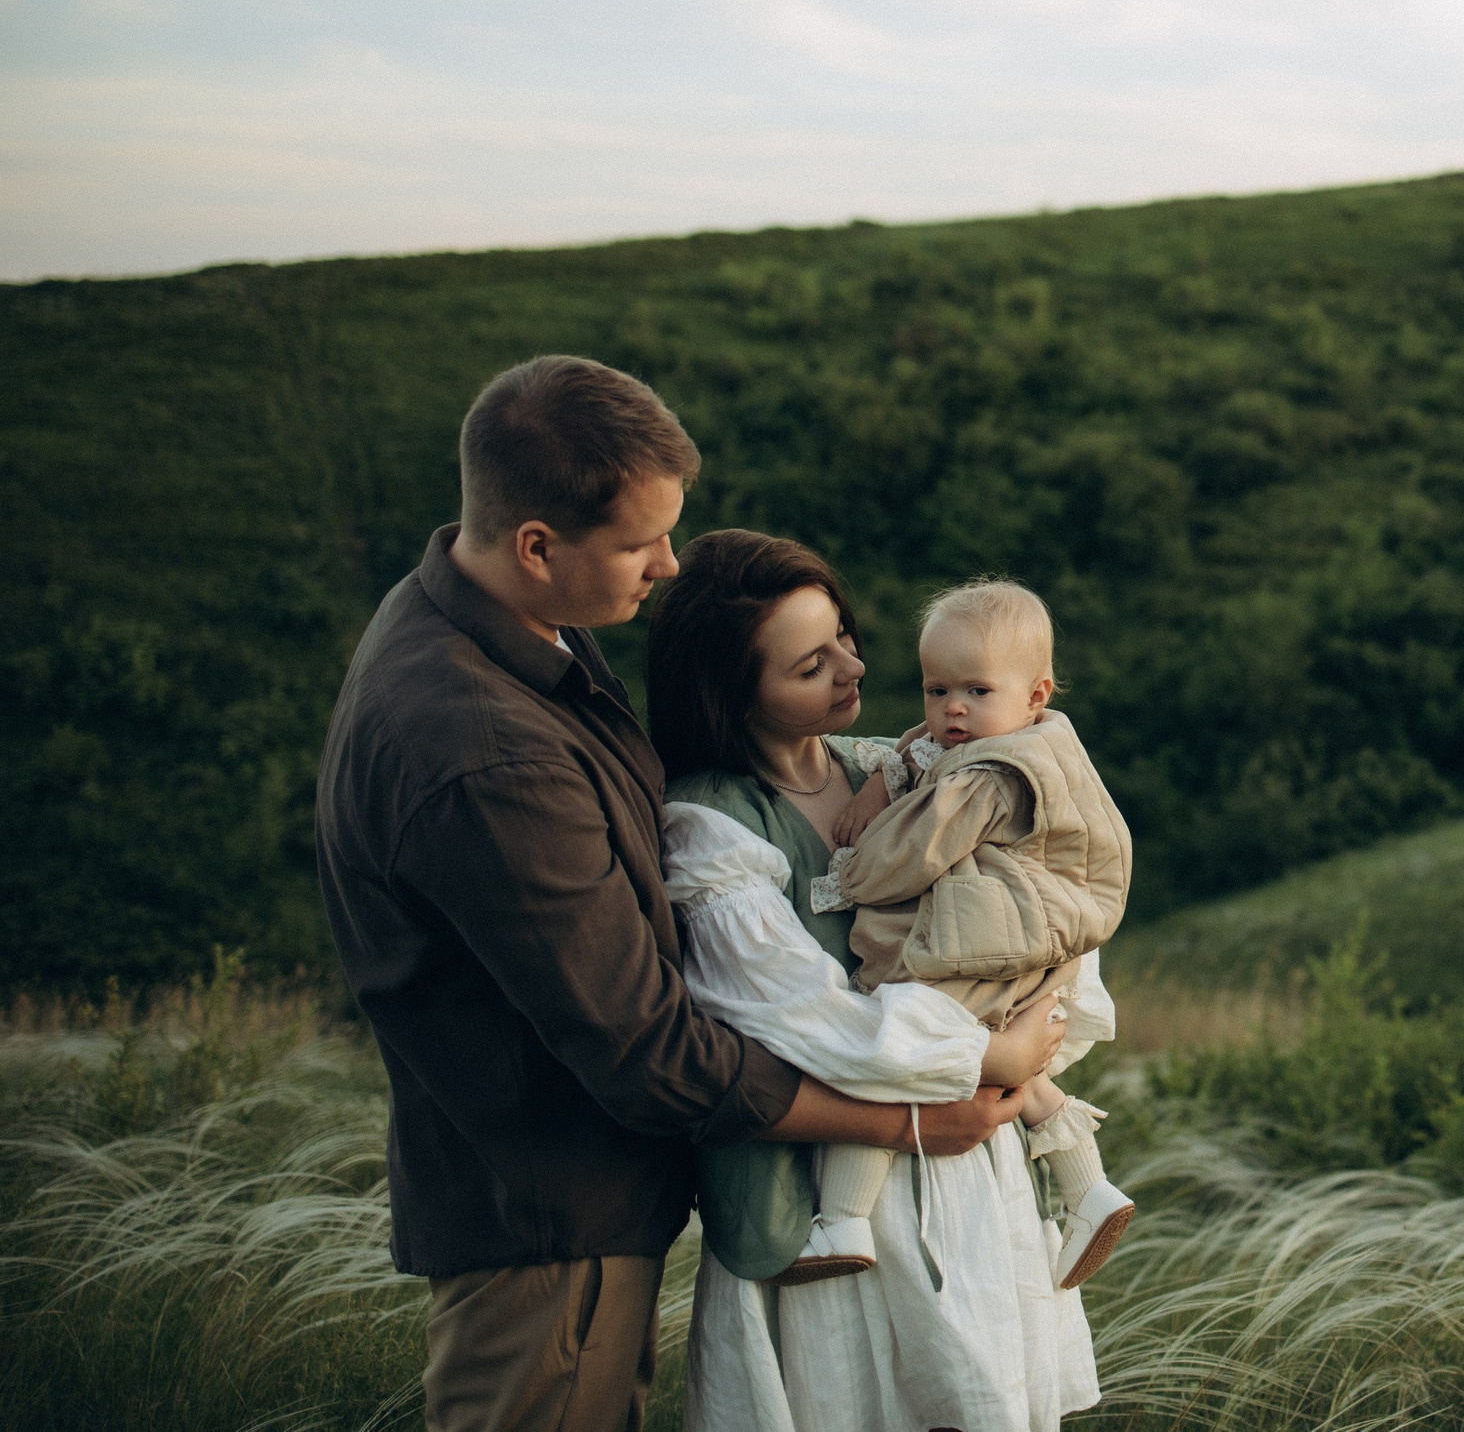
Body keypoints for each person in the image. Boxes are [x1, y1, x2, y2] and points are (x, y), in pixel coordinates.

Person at [315, 357, 1049, 1432]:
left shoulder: (513, 629)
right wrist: (901, 1121)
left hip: (570, 1200)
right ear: (535, 544)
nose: (666, 566)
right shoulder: (481, 749)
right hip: (547, 1222)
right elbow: (647, 1051)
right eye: (638, 543)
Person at [646, 531, 1102, 1432]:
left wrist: (1018, 1032)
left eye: (845, 634)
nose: (855, 664)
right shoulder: (713, 825)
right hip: (833, 1205)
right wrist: (986, 1051)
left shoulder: (897, 766)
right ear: (736, 693)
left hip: (970, 1168)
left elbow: (1035, 904)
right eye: (814, 663)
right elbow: (804, 1021)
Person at [813, 579, 1134, 1291]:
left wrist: (854, 863)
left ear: (1034, 694)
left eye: (976, 691)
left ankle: (840, 1216)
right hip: (1020, 936)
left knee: (896, 1042)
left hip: (990, 934)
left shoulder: (990, 775)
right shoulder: (1012, 739)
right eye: (935, 689)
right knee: (1023, 1068)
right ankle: (1088, 1188)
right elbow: (921, 749)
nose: (951, 709)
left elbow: (915, 852)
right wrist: (882, 777)